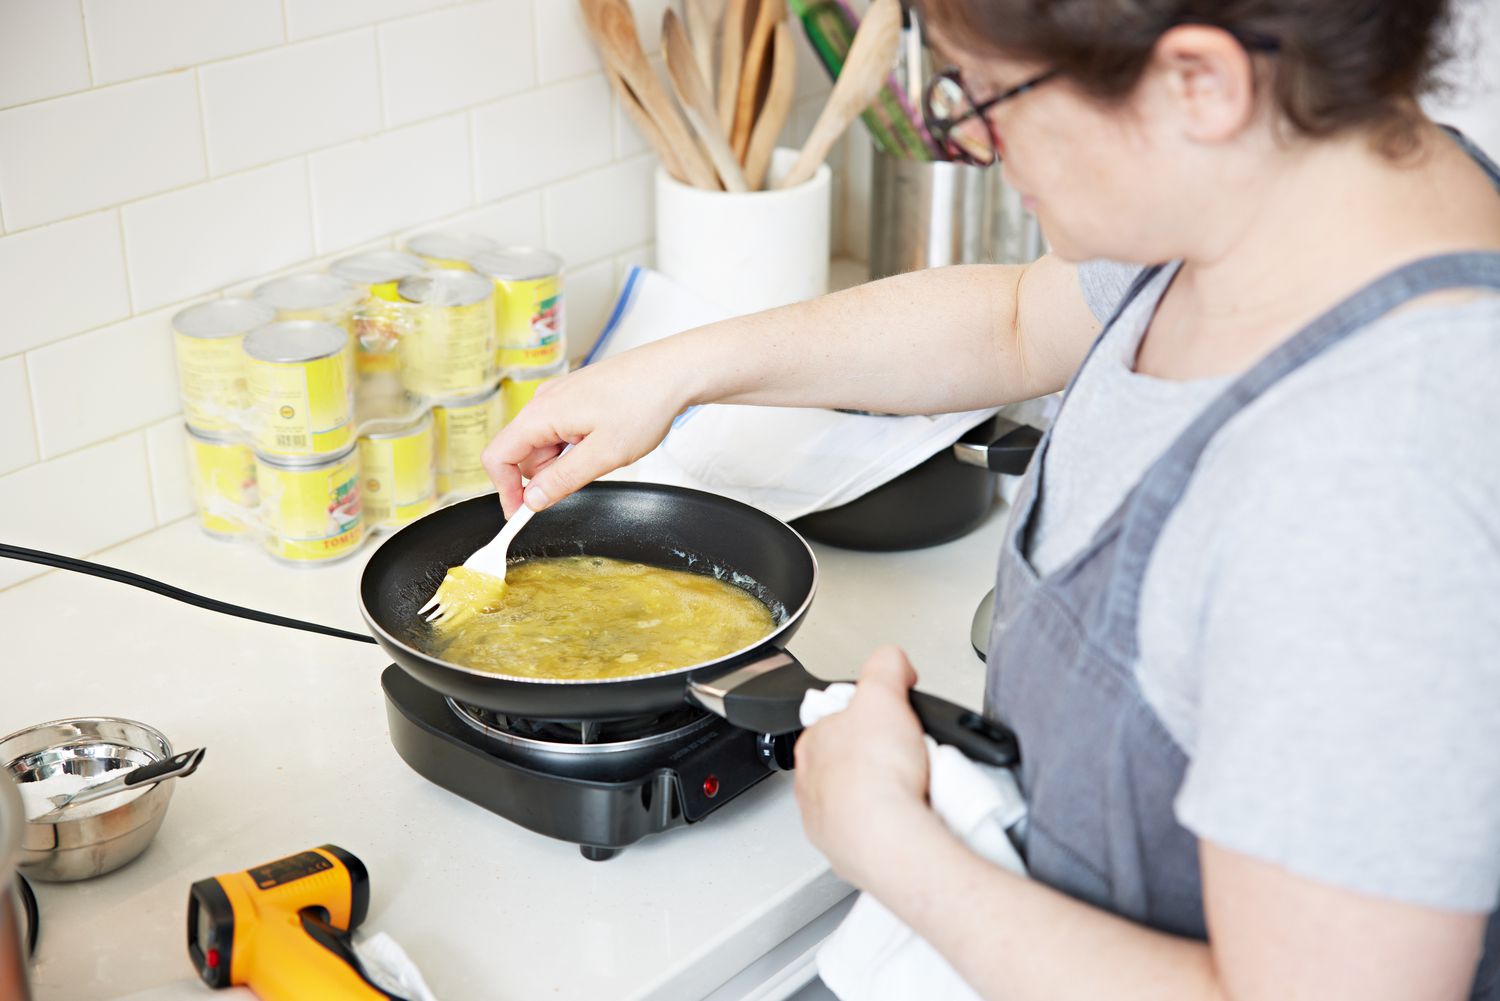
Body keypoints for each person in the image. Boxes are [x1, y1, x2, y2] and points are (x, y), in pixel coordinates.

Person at [484, 0, 1500, 996]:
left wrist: (897, 850)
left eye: (992, 100)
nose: (980, 148)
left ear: (1202, 81)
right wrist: (677, 369)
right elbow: (1018, 321)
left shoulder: (1380, 484)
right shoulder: (1291, 188)